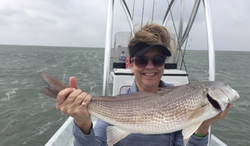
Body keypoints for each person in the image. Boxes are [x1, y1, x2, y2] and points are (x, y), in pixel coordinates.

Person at [56, 23, 232, 146]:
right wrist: (82, 122)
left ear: (164, 64)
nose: (150, 66)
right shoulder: (117, 104)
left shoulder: (180, 97)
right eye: (141, 60)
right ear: (131, 65)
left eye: (157, 59)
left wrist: (204, 126)